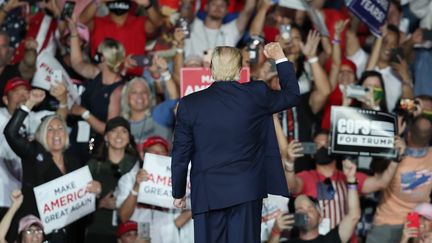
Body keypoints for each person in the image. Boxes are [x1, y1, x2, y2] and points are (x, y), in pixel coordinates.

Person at [171, 43, 300, 242]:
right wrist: (280, 57)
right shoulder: (256, 94)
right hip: (246, 191)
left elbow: (180, 153)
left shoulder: (189, 104)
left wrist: (178, 192)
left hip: (207, 193)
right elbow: (291, 95)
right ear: (240, 70)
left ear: (211, 69)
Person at [3, 89, 101, 243]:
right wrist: (29, 104)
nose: (56, 133)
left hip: (67, 235)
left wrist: (94, 192)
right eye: (50, 129)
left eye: (60, 128)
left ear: (66, 134)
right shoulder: (33, 153)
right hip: (35, 233)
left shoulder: (74, 161)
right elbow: (10, 133)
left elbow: (83, 207)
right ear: (41, 134)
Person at [0, 77, 68, 219]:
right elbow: (10, 133)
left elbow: (58, 123)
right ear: (5, 100)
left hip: (34, 196)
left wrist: (63, 100)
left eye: (26, 91)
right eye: (16, 92)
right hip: (3, 196)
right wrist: (28, 104)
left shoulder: (37, 117)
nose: (22, 95)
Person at [115, 135, 194, 243]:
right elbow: (124, 217)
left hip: (169, 235)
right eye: (152, 151)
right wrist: (136, 187)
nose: (157, 155)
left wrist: (174, 226)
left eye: (162, 152)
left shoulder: (177, 179)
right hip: (139, 234)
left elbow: (190, 209)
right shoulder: (129, 178)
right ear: (142, 155)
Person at [367, 115, 432, 243]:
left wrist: (394, 137)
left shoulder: (394, 156)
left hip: (388, 222)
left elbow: (375, 174)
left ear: (408, 135)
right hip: (417, 223)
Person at [86, 116, 140, 242]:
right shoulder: (94, 165)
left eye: (124, 131)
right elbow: (77, 201)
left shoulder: (136, 165)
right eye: (114, 131)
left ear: (128, 138)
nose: (119, 135)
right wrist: (100, 204)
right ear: (106, 137)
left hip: (130, 235)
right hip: (99, 231)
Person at [281, 160, 360, 243]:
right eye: (300, 210)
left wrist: (351, 180)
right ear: (293, 219)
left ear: (320, 217)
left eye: (310, 209)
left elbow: (354, 216)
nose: (306, 213)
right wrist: (276, 231)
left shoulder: (331, 240)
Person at [183, 0, 256, 57]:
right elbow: (186, 9)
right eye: (214, 4)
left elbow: (248, 10)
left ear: (227, 10)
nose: (218, 8)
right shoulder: (194, 25)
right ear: (206, 7)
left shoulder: (231, 30)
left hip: (224, 74)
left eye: (222, 5)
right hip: (192, 74)